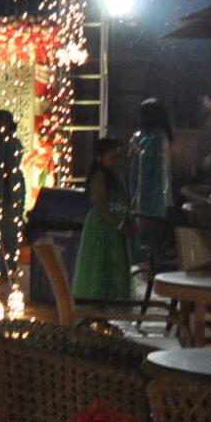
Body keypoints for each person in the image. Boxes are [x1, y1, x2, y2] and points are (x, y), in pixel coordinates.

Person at [72, 132, 136, 307]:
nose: (117, 161)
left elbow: (124, 203)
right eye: (112, 157)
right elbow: (101, 206)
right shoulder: (99, 177)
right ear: (99, 158)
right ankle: (97, 312)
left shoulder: (116, 176)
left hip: (116, 230)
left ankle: (109, 312)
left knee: (114, 270)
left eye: (118, 157)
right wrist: (120, 225)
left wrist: (127, 222)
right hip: (102, 228)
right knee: (99, 270)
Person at [132, 98, 176, 274]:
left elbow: (148, 161)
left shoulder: (157, 137)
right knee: (151, 231)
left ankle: (153, 267)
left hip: (153, 191)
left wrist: (136, 150)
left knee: (152, 231)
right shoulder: (155, 136)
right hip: (153, 190)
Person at [0, 108, 26, 283]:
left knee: (4, 231)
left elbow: (9, 170)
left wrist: (8, 195)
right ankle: (1, 267)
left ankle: (3, 268)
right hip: (1, 191)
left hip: (5, 192)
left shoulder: (6, 145)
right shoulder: (5, 144)